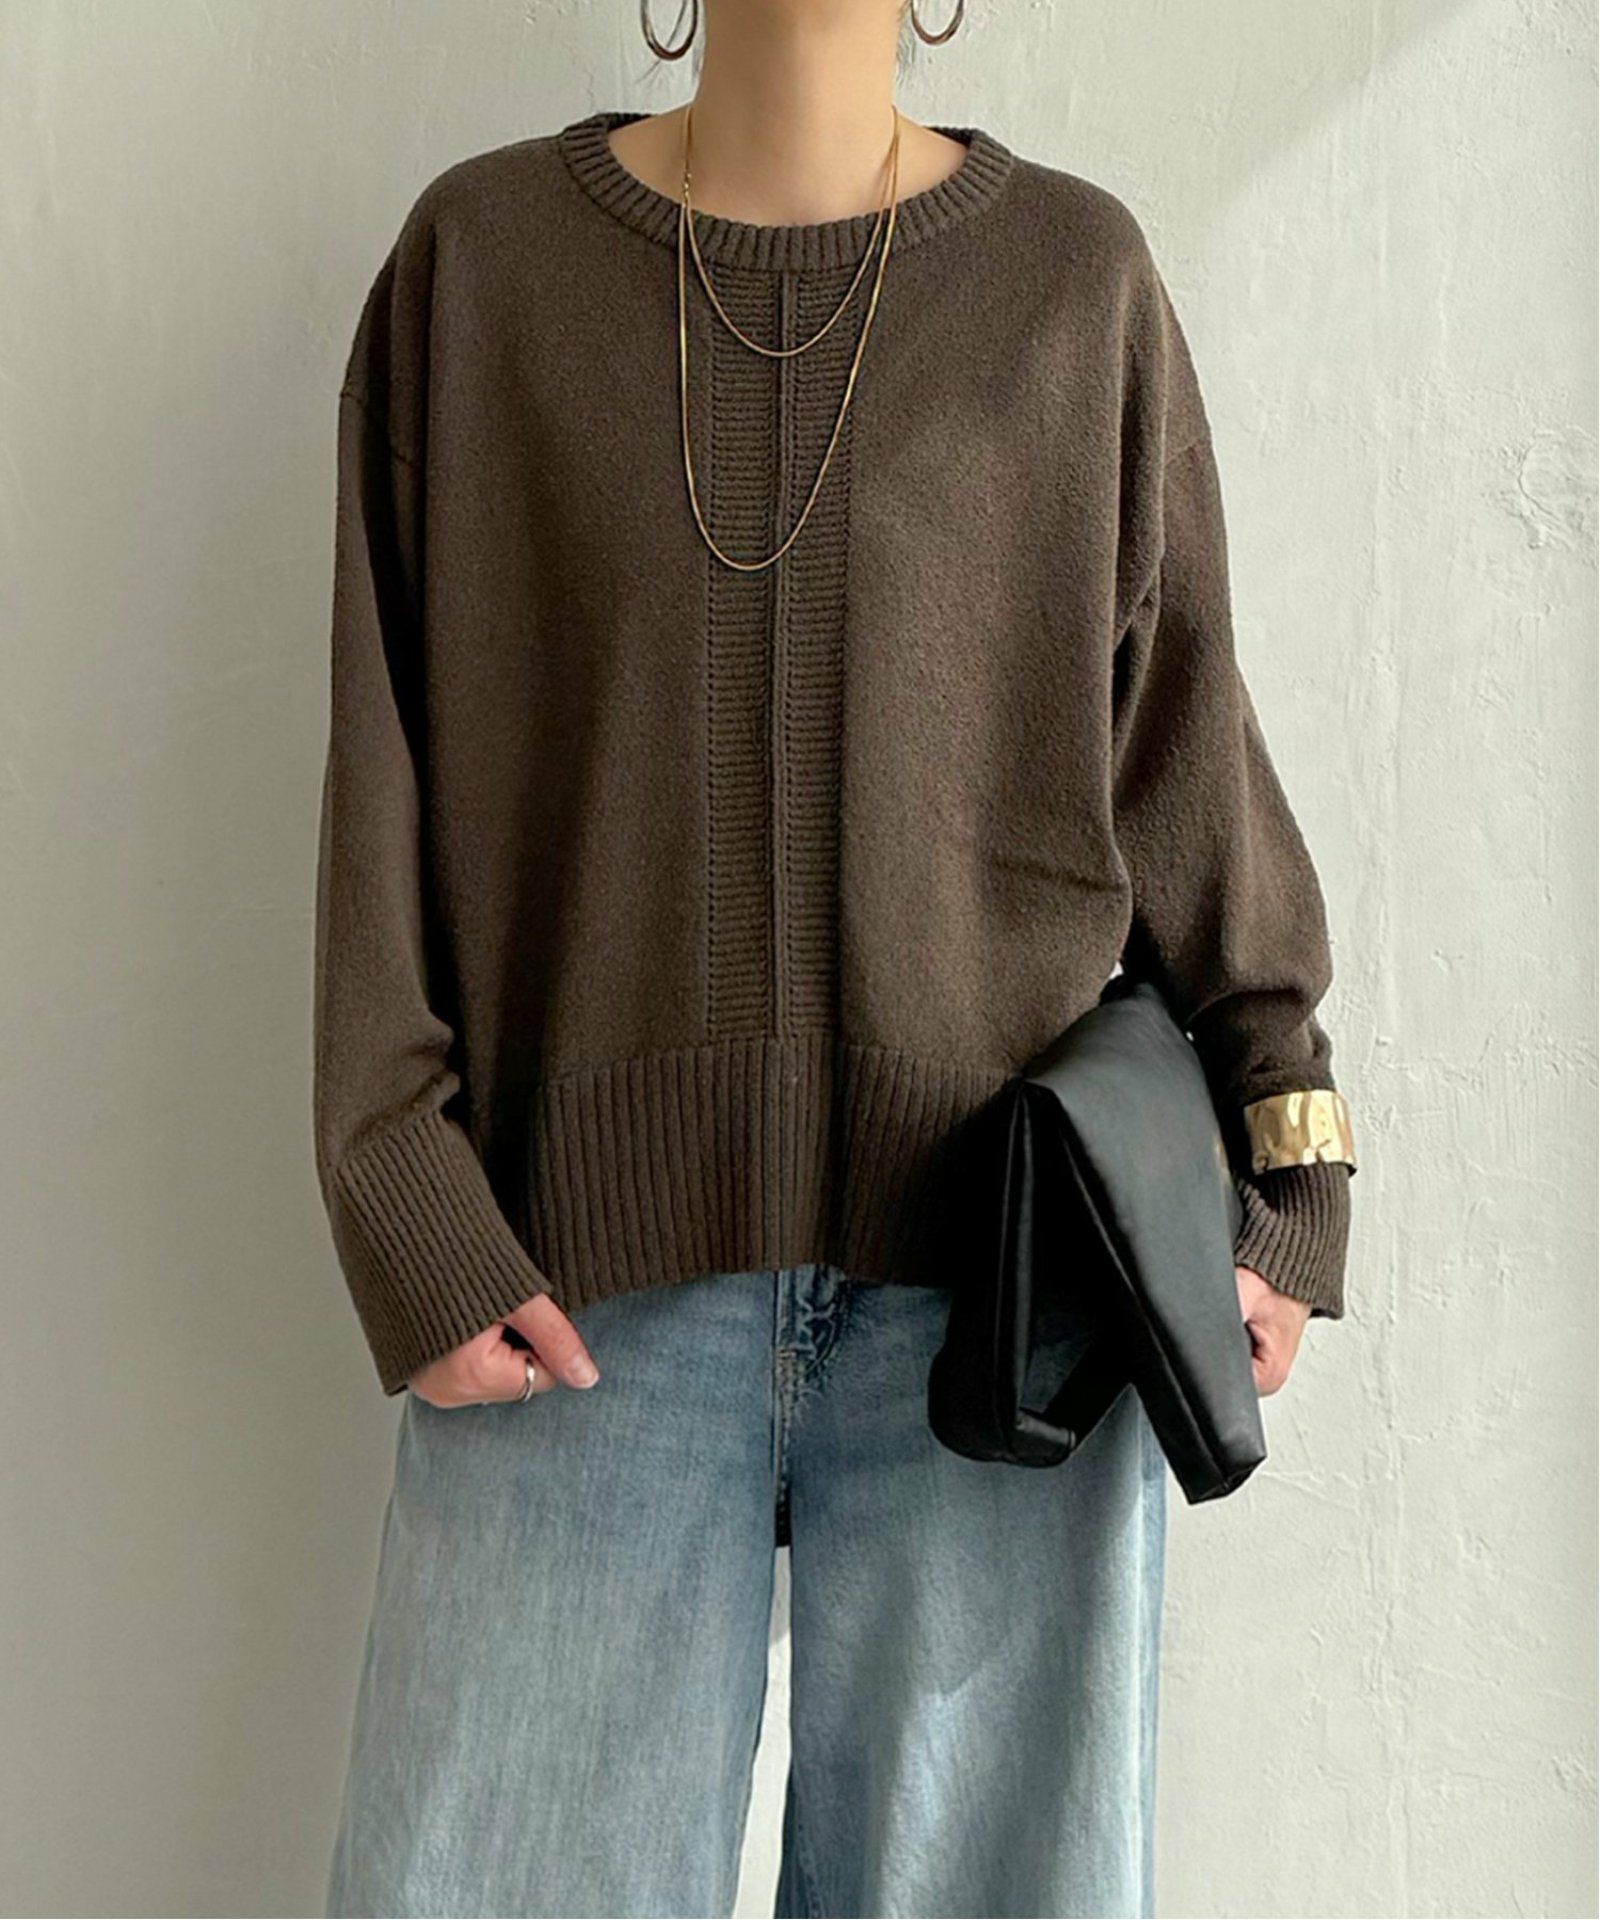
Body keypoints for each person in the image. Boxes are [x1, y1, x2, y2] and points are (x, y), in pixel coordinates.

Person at [312, 3, 1358, 1914]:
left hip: (1014, 1299)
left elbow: (1186, 764)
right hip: (568, 1302)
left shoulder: (1073, 287)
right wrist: (408, 1203)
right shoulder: (482, 270)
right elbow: (383, 774)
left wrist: (1290, 1178)